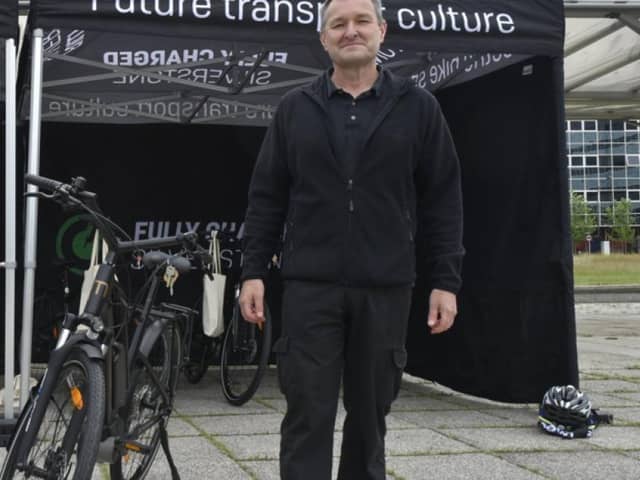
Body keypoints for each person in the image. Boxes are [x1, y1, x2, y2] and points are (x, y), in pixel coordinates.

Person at [239, 0, 464, 478]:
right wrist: (253, 271)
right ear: (323, 39)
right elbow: (266, 198)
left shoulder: (419, 108)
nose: (351, 31)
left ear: (382, 31)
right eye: (338, 24)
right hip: (309, 288)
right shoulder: (294, 109)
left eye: (361, 21)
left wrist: (446, 280)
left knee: (370, 416)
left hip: (385, 287)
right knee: (307, 414)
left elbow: (443, 200)